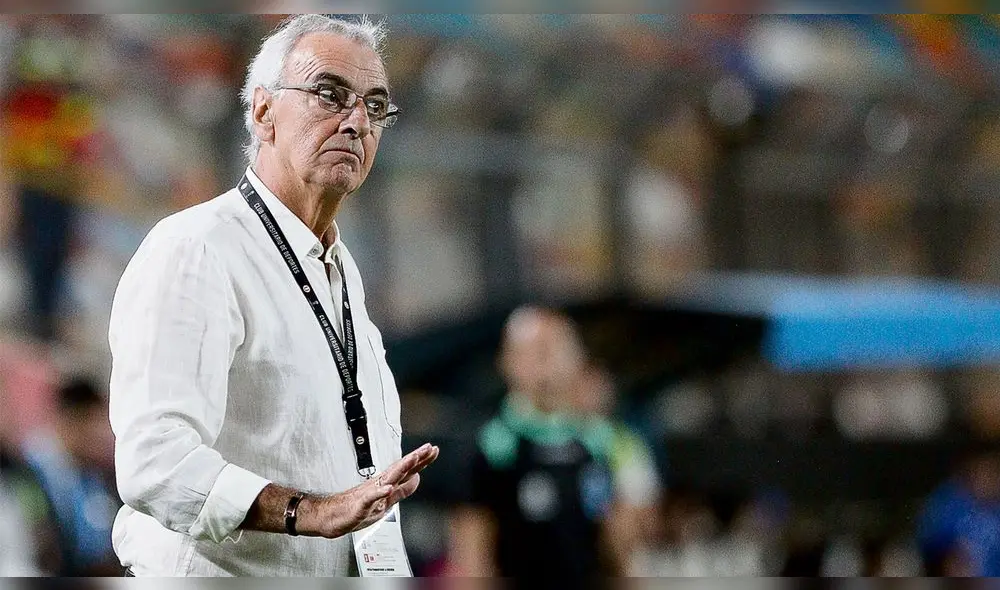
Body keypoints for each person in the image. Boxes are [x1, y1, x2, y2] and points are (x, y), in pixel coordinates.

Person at [108, 14, 438, 577]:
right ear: (263, 114)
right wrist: (308, 512)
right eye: (329, 95)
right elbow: (155, 460)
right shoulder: (197, 247)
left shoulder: (338, 269)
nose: (357, 121)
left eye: (375, 105)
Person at [447, 305, 623, 582]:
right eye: (539, 352)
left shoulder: (596, 438)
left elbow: (615, 539)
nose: (549, 364)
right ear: (509, 362)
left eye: (558, 350)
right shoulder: (494, 444)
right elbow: (473, 547)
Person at [20, 375, 120, 576]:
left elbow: (97, 545)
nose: (101, 434)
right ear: (72, 419)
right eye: (93, 423)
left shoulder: (93, 476)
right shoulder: (27, 472)